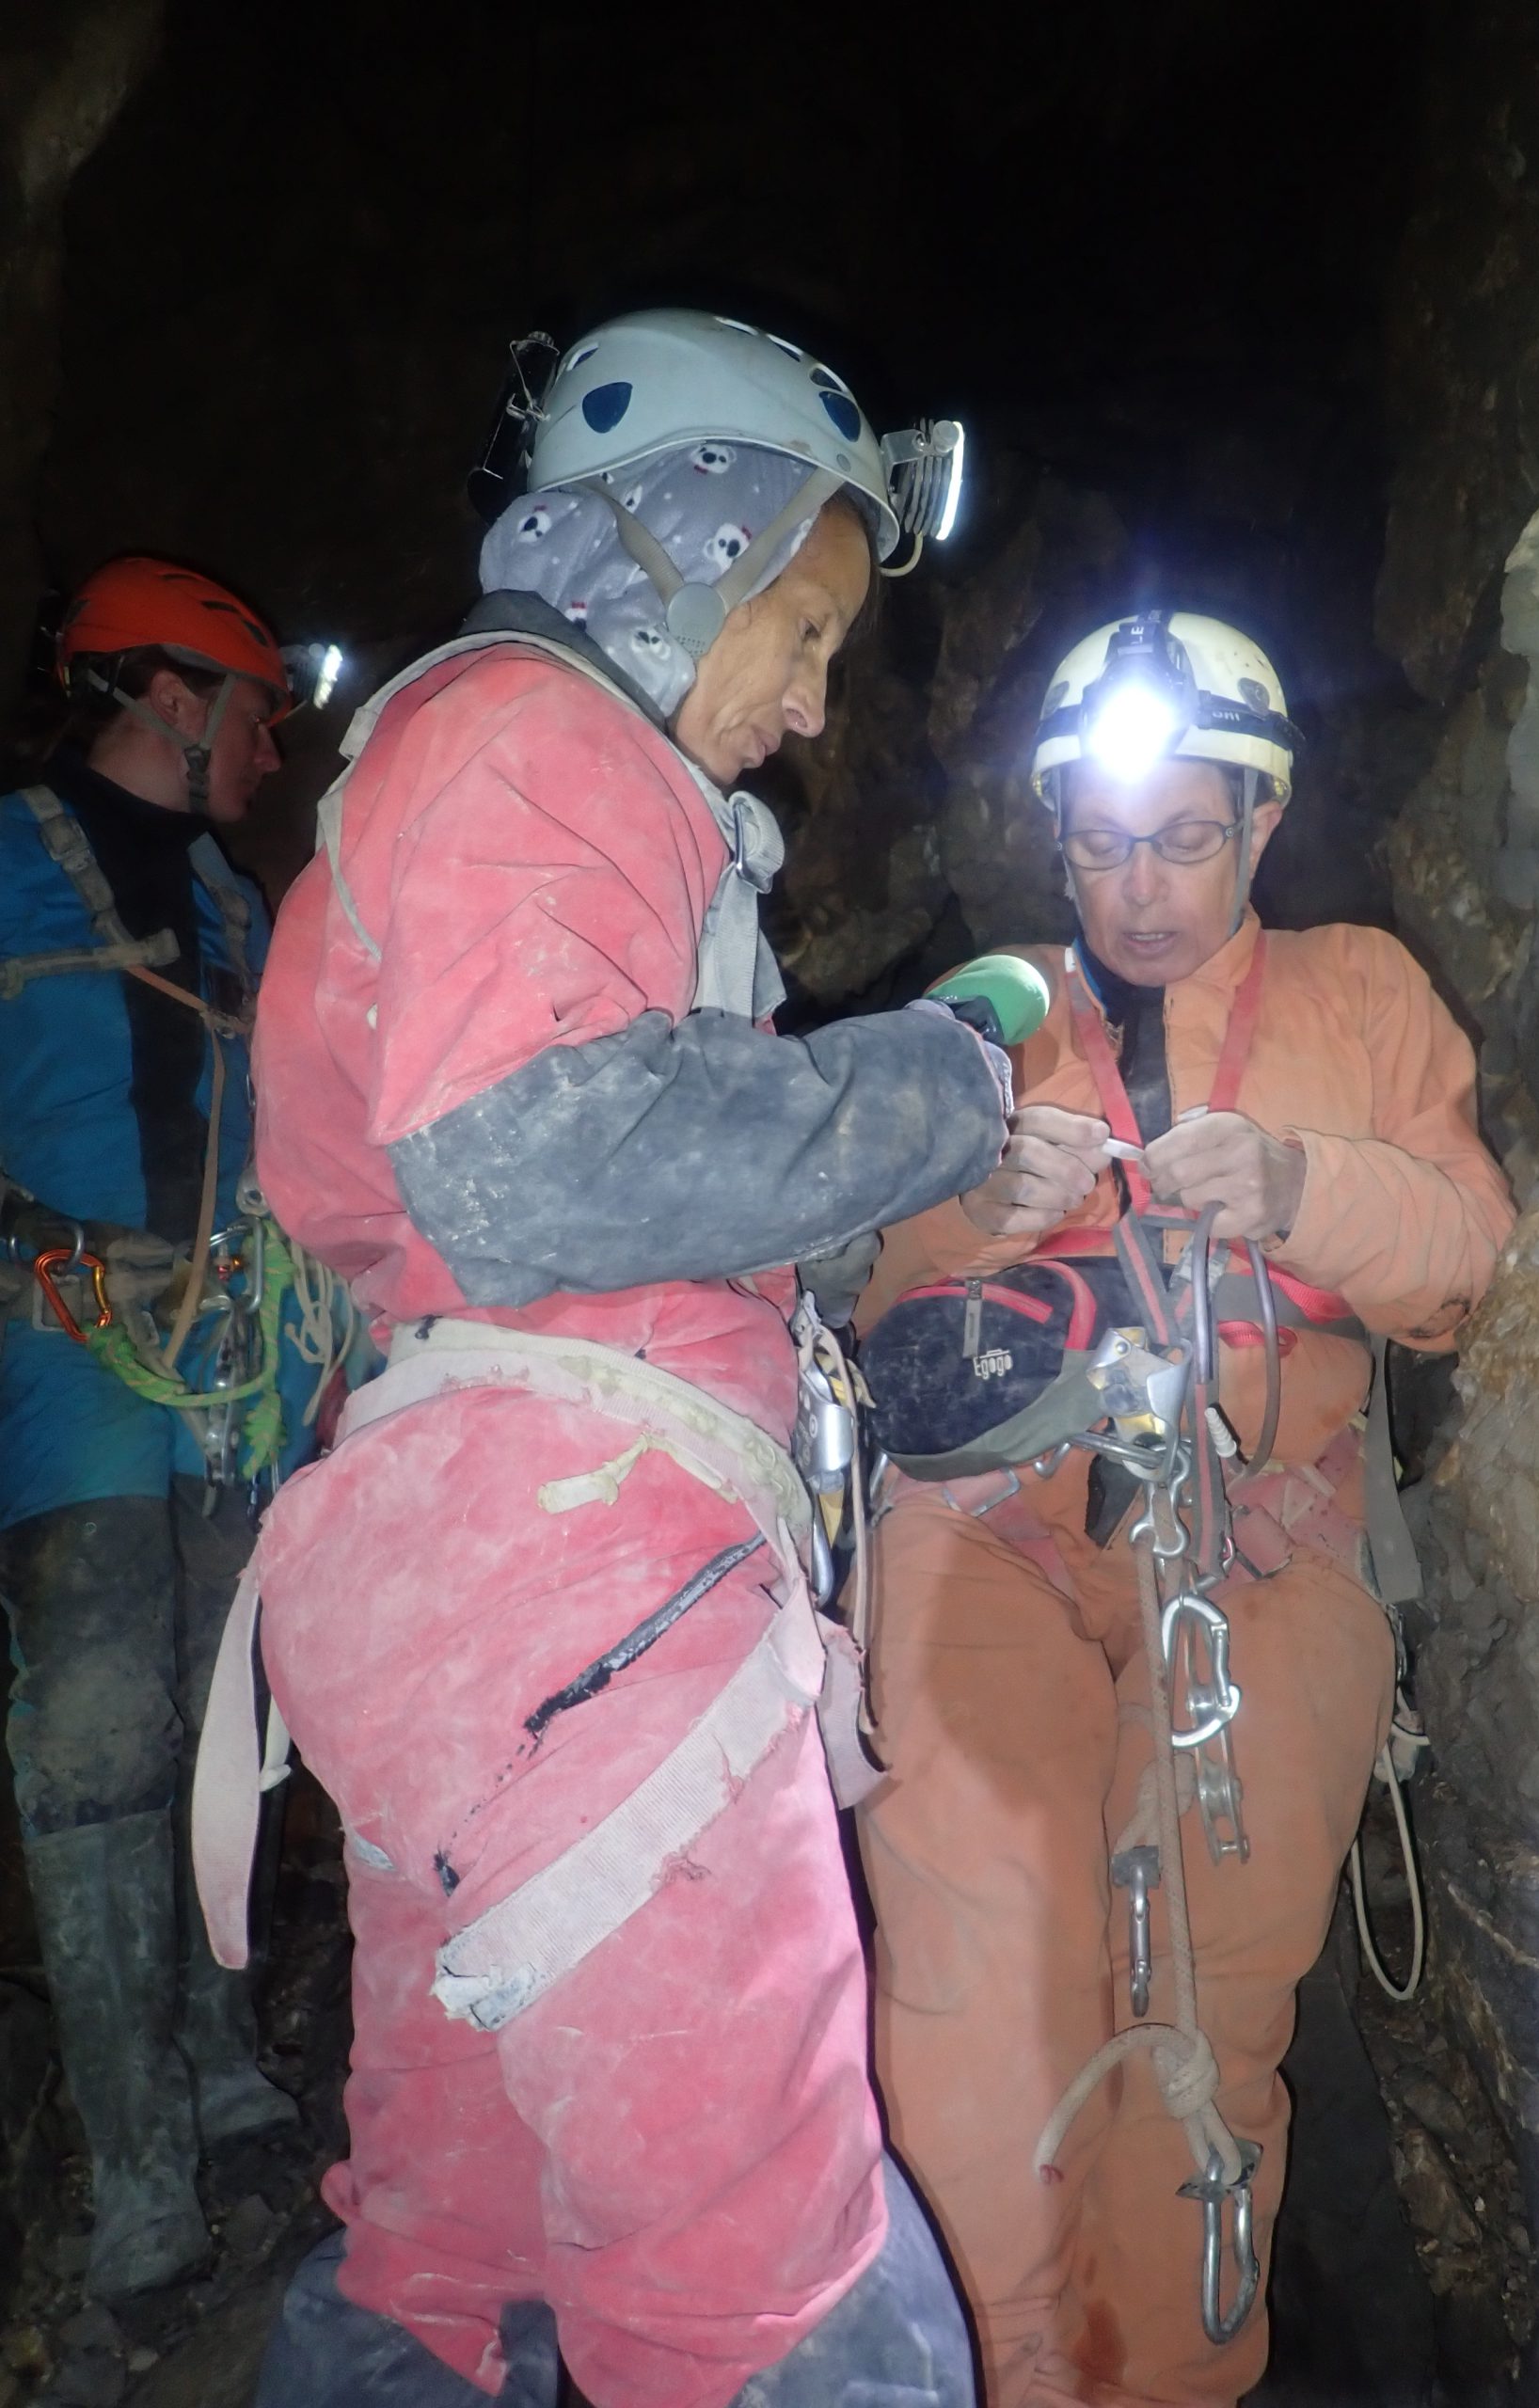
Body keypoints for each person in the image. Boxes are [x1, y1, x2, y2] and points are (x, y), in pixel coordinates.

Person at [227, 309, 1003, 2407]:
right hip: (586, 1599)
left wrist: (859, 1219)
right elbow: (543, 1158)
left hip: (457, 1595)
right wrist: (929, 1084)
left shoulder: (469, 774)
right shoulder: (538, 739)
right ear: (684, 536)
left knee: (457, 2261)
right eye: (806, 622)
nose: (816, 699)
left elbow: (534, 1175)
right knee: (781, 2289)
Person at [853, 610, 1518, 2406]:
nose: (1137, 885)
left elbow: (1462, 1266)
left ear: (1264, 817)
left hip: (1261, 1549)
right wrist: (977, 1202)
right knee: (978, 2011)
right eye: (1099, 838)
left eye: (1184, 838)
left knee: (1206, 2003)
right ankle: (1007, 2376)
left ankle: (1168, 2383)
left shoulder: (1362, 995)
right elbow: (855, 1307)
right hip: (988, 1536)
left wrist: (1302, 1182)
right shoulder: (985, 1020)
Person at [0, 558, 315, 2299]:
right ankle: (134, 2188)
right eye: (257, 711)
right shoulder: (1, 861)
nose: (273, 750)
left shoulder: (236, 904)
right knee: (102, 1735)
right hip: (63, 1384)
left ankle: (215, 2067)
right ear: (168, 699)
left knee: (226, 1725)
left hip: (235, 1382)